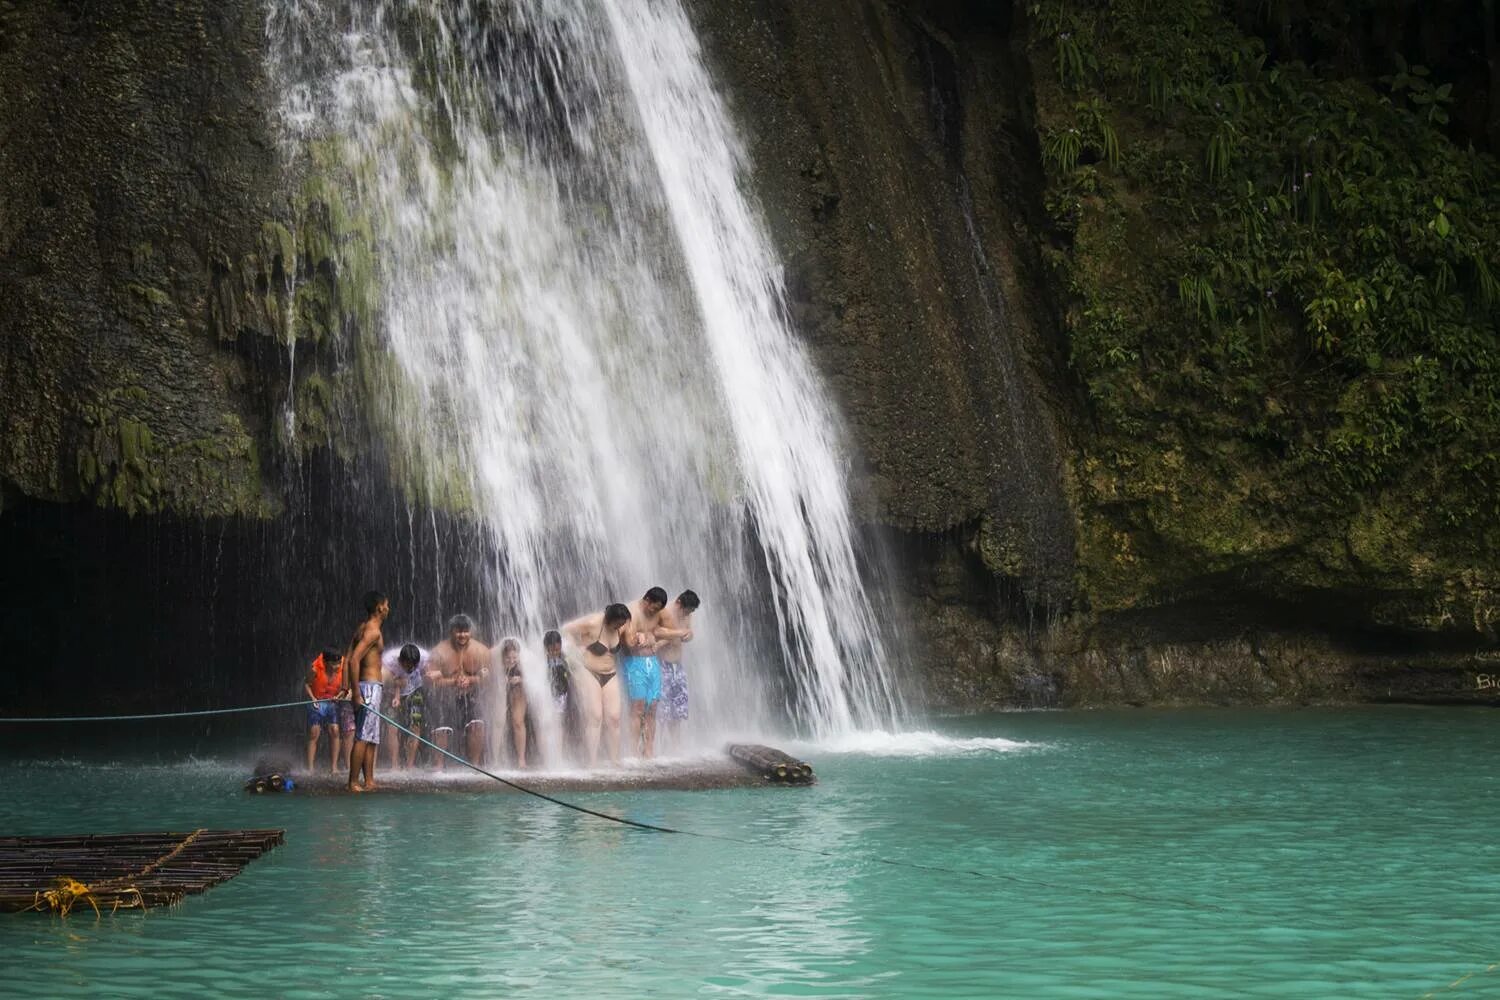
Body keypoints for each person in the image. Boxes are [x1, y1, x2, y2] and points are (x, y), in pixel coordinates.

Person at [561, 603, 631, 767]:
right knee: (595, 716)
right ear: (609, 619)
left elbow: (631, 637)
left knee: (614, 718)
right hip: (589, 671)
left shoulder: (623, 625)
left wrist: (641, 638)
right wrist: (575, 649)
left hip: (610, 673)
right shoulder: (593, 623)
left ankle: (614, 759)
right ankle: (591, 761)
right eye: (618, 623)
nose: (621, 626)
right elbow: (566, 629)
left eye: (623, 623)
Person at [428, 614, 491, 767]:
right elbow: (430, 681)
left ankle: (475, 766)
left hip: (471, 695)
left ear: (471, 632)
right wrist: (453, 681)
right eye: (458, 631)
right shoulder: (439, 651)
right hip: (445, 697)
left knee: (476, 724)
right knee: (441, 728)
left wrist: (471, 679)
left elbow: (489, 679)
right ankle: (438, 768)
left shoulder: (481, 651)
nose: (462, 635)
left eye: (465, 631)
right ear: (451, 631)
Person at [342, 590, 390, 793]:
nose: (388, 609)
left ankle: (369, 780)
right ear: (380, 608)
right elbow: (354, 660)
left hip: (368, 687)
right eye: (387, 605)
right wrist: (356, 693)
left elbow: (347, 656)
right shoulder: (373, 631)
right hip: (368, 688)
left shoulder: (362, 628)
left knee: (371, 737)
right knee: (362, 736)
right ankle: (353, 782)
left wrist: (345, 687)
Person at [621, 587, 669, 759]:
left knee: (653, 708)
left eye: (658, 610)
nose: (654, 612)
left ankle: (649, 750)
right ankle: (633, 751)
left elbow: (668, 632)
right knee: (638, 708)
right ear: (647, 600)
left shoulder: (658, 614)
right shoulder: (631, 611)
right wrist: (638, 638)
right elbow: (628, 641)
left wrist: (653, 637)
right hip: (634, 664)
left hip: (653, 663)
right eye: (653, 608)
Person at [654, 590, 699, 751]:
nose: (688, 614)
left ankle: (675, 747)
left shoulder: (687, 615)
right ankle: (658, 746)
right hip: (662, 665)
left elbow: (689, 632)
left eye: (691, 612)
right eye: (687, 610)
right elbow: (656, 632)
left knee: (678, 710)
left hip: (678, 666)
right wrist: (678, 633)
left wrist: (689, 635)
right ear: (679, 603)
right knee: (661, 709)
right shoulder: (664, 612)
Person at [382, 642, 429, 770]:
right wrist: (396, 696)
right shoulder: (388, 661)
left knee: (415, 726)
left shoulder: (424, 657)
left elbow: (430, 672)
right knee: (392, 728)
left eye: (414, 666)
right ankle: (394, 765)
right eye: (407, 665)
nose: (410, 668)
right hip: (391, 692)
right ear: (400, 661)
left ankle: (409, 765)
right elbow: (390, 681)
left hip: (415, 690)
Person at [303, 647, 346, 774]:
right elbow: (306, 684)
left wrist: (340, 696)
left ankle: (334, 768)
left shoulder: (344, 667)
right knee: (314, 732)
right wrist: (312, 699)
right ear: (326, 663)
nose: (338, 666)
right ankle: (310, 768)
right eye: (334, 664)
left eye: (339, 663)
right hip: (317, 701)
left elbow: (345, 688)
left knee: (335, 730)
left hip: (332, 702)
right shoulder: (314, 669)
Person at [498, 637, 528, 769]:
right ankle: (495, 758)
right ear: (502, 656)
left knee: (518, 721)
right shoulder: (496, 663)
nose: (511, 661)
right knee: (498, 722)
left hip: (518, 690)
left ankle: (521, 759)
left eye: (514, 658)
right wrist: (499, 679)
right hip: (500, 691)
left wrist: (521, 679)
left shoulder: (524, 663)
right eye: (508, 658)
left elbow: (535, 680)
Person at [543, 629, 570, 753]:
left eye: (557, 650)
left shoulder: (565, 659)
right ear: (546, 648)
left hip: (561, 695)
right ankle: (549, 751)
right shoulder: (543, 661)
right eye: (551, 650)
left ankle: (559, 752)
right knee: (548, 723)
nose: (554, 652)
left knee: (558, 723)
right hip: (547, 695)